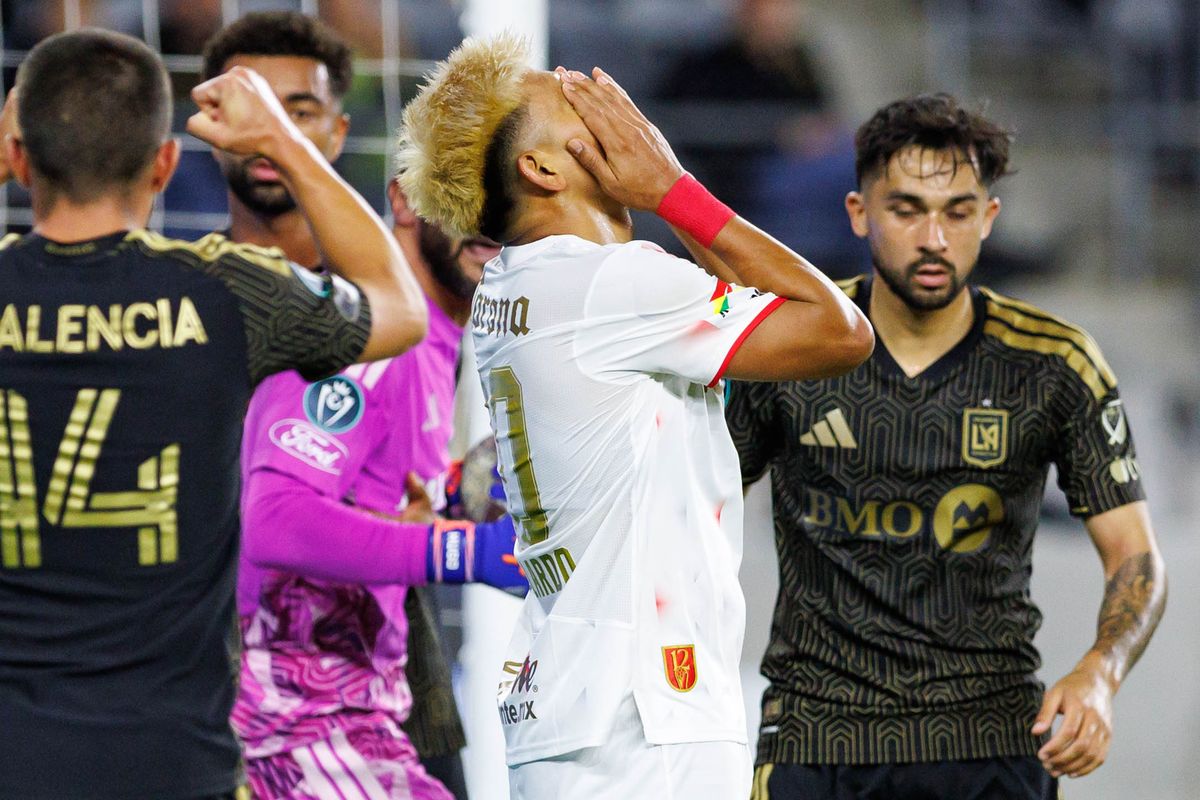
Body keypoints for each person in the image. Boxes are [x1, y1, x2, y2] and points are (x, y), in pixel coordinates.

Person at [395, 33, 874, 799]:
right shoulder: (611, 286)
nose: (612, 110)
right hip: (646, 715)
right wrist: (673, 188)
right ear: (542, 168)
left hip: (573, 705)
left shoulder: (512, 290)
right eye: (571, 103)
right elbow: (840, 331)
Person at [0, 28, 426, 800]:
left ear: (20, 157)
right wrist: (286, 144)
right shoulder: (224, 291)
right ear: (165, 164)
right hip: (171, 758)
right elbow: (401, 310)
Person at [727, 93, 1167, 799]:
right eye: (906, 210)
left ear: (988, 219)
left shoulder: (1054, 365)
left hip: (990, 743)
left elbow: (1136, 556)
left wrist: (1100, 672)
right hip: (817, 736)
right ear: (858, 213)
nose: (934, 237)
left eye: (958, 211)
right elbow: (689, 504)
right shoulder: (791, 349)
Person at [199, 12, 520, 799]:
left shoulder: (432, 333)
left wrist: (445, 492)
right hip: (295, 721)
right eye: (470, 190)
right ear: (406, 200)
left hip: (364, 695)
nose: (494, 216)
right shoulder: (365, 331)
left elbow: (337, 469)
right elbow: (273, 513)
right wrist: (461, 551)